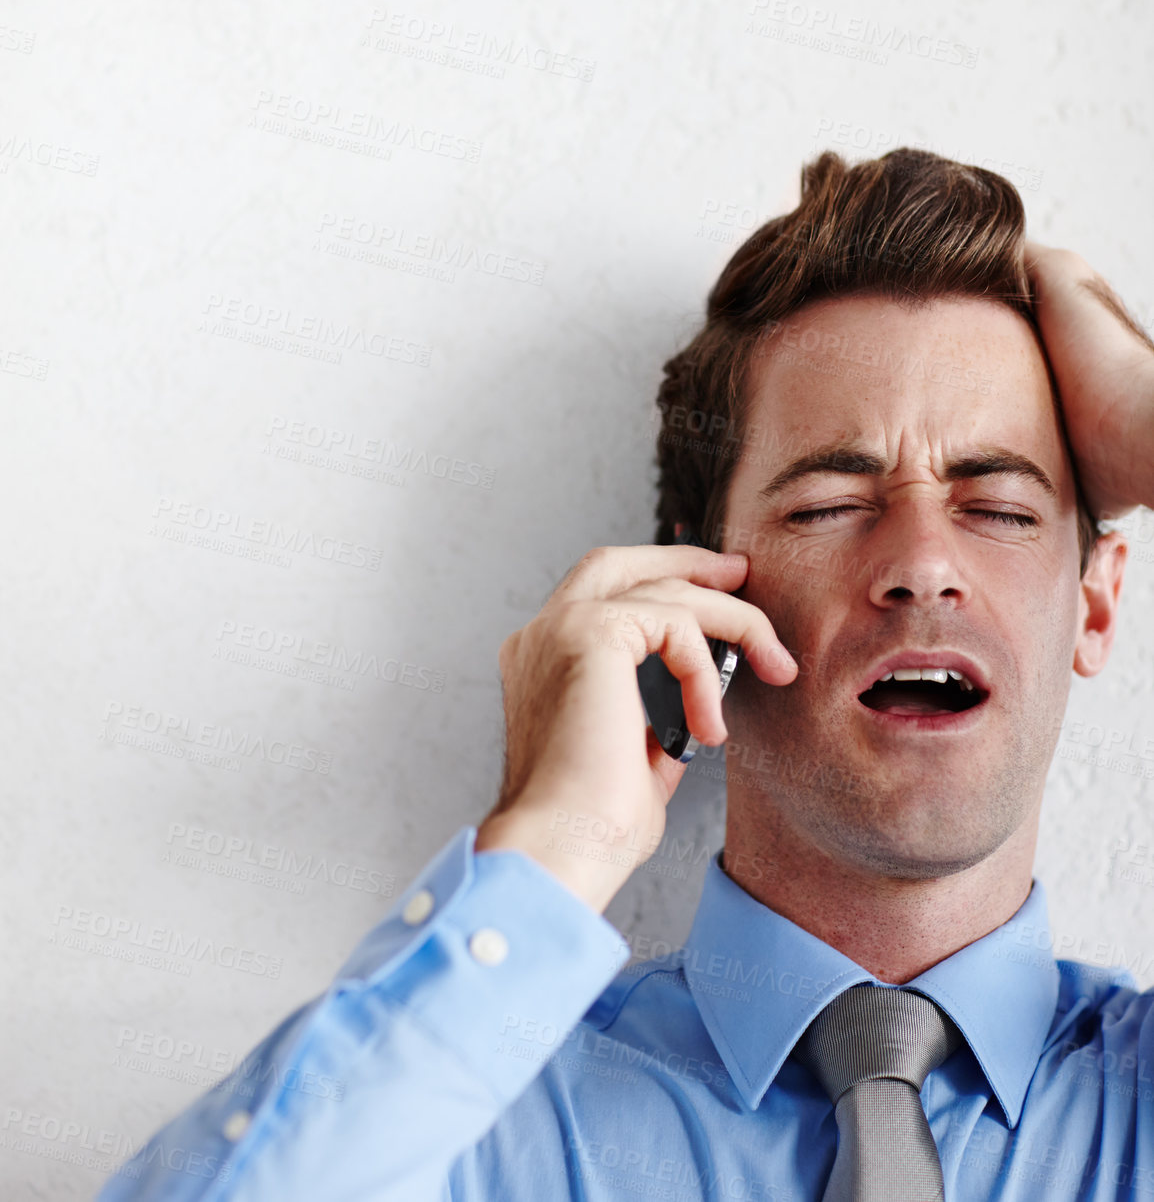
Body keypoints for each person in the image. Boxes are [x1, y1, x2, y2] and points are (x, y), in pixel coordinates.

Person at [97, 148, 1154, 1201]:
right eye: (826, 505)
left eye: (1001, 510)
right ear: (699, 599)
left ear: (1094, 603)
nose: (922, 565)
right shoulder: (469, 1120)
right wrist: (553, 841)